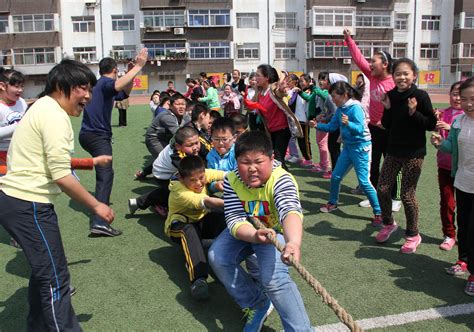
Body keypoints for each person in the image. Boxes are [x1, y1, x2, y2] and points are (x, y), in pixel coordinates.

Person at [0, 59, 115, 331]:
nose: (87, 96)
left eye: (89, 90)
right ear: (62, 86)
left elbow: (47, 161)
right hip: (28, 203)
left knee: (45, 274)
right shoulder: (54, 115)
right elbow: (61, 176)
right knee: (55, 279)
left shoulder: (41, 107)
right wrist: (97, 205)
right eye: (82, 88)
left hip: (19, 201)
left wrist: (90, 163)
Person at [208, 131, 312, 331]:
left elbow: (289, 211)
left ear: (272, 159)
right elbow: (234, 218)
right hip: (248, 229)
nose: (252, 169)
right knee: (217, 256)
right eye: (245, 162)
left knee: (274, 279)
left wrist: (293, 243)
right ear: (236, 161)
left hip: (276, 232)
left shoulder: (281, 179)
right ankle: (256, 303)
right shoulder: (232, 180)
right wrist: (254, 235)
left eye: (258, 161)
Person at [79, 48, 147, 237]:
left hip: (89, 135)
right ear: (115, 70)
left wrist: (131, 76)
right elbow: (117, 86)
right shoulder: (105, 83)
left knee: (105, 173)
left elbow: (124, 94)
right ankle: (100, 222)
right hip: (97, 136)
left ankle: (99, 217)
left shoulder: (100, 85)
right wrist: (138, 67)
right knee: (105, 175)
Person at [375, 58, 437, 253]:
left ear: (414, 75)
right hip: (394, 150)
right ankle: (388, 223)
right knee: (383, 189)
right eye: (398, 74)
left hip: (414, 153)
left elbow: (431, 124)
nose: (402, 77)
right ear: (393, 76)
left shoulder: (420, 96)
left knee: (407, 195)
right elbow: (387, 124)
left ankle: (412, 234)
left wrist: (413, 112)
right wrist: (386, 108)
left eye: (406, 73)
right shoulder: (391, 96)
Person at [343, 28, 402, 212]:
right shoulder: (371, 76)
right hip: (373, 128)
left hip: (391, 130)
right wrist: (348, 39)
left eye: (374, 61)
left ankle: (394, 198)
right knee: (372, 163)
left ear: (384, 64)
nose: (369, 64)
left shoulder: (393, 82)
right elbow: (359, 59)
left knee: (391, 164)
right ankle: (375, 195)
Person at [310, 81, 382, 225]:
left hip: (361, 148)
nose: (333, 99)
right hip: (348, 147)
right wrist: (317, 125)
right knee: (336, 176)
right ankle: (332, 203)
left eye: (334, 96)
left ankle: (379, 213)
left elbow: (361, 129)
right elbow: (332, 127)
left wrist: (349, 123)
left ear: (344, 95)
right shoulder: (340, 108)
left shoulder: (355, 108)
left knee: (364, 182)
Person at [431, 77, 474, 296]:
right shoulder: (458, 122)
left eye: (472, 99)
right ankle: (463, 261)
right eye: (464, 99)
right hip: (463, 181)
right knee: (465, 227)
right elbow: (451, 147)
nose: (467, 103)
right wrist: (440, 143)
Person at [165, 155, 226, 300]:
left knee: (224, 217)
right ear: (181, 178)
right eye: (192, 180)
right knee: (189, 231)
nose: (199, 183)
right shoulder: (179, 190)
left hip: (201, 221)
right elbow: (206, 201)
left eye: (201, 178)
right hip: (179, 226)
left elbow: (224, 174)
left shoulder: (201, 173)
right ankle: (198, 280)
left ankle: (221, 252)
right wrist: (236, 203)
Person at [128, 126, 209, 216]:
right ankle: (153, 204)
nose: (195, 147)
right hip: (162, 175)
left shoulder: (196, 140)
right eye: (190, 145)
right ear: (178, 146)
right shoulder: (176, 156)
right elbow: (193, 172)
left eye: (196, 143)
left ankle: (139, 202)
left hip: (165, 167)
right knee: (177, 192)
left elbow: (210, 152)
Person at [243, 64, 303, 170]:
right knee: (272, 158)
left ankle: (285, 182)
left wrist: (281, 90)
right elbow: (250, 106)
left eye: (258, 75)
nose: (255, 78)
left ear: (267, 78)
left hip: (283, 129)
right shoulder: (260, 92)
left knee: (278, 160)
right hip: (270, 130)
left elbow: (279, 93)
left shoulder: (273, 88)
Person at [434, 81, 464, 251]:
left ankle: (464, 235)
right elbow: (437, 132)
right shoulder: (443, 113)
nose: (458, 98)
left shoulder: (466, 116)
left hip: (463, 168)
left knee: (465, 205)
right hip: (444, 166)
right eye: (454, 94)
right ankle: (449, 235)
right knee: (447, 201)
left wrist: (449, 127)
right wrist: (436, 119)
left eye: (461, 95)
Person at [136, 93, 186, 179]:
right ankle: (167, 180)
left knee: (163, 156)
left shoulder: (183, 115)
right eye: (178, 104)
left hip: (165, 137)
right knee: (166, 158)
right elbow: (180, 134)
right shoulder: (167, 116)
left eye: (183, 104)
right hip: (154, 139)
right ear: (170, 105)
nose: (181, 106)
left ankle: (143, 173)